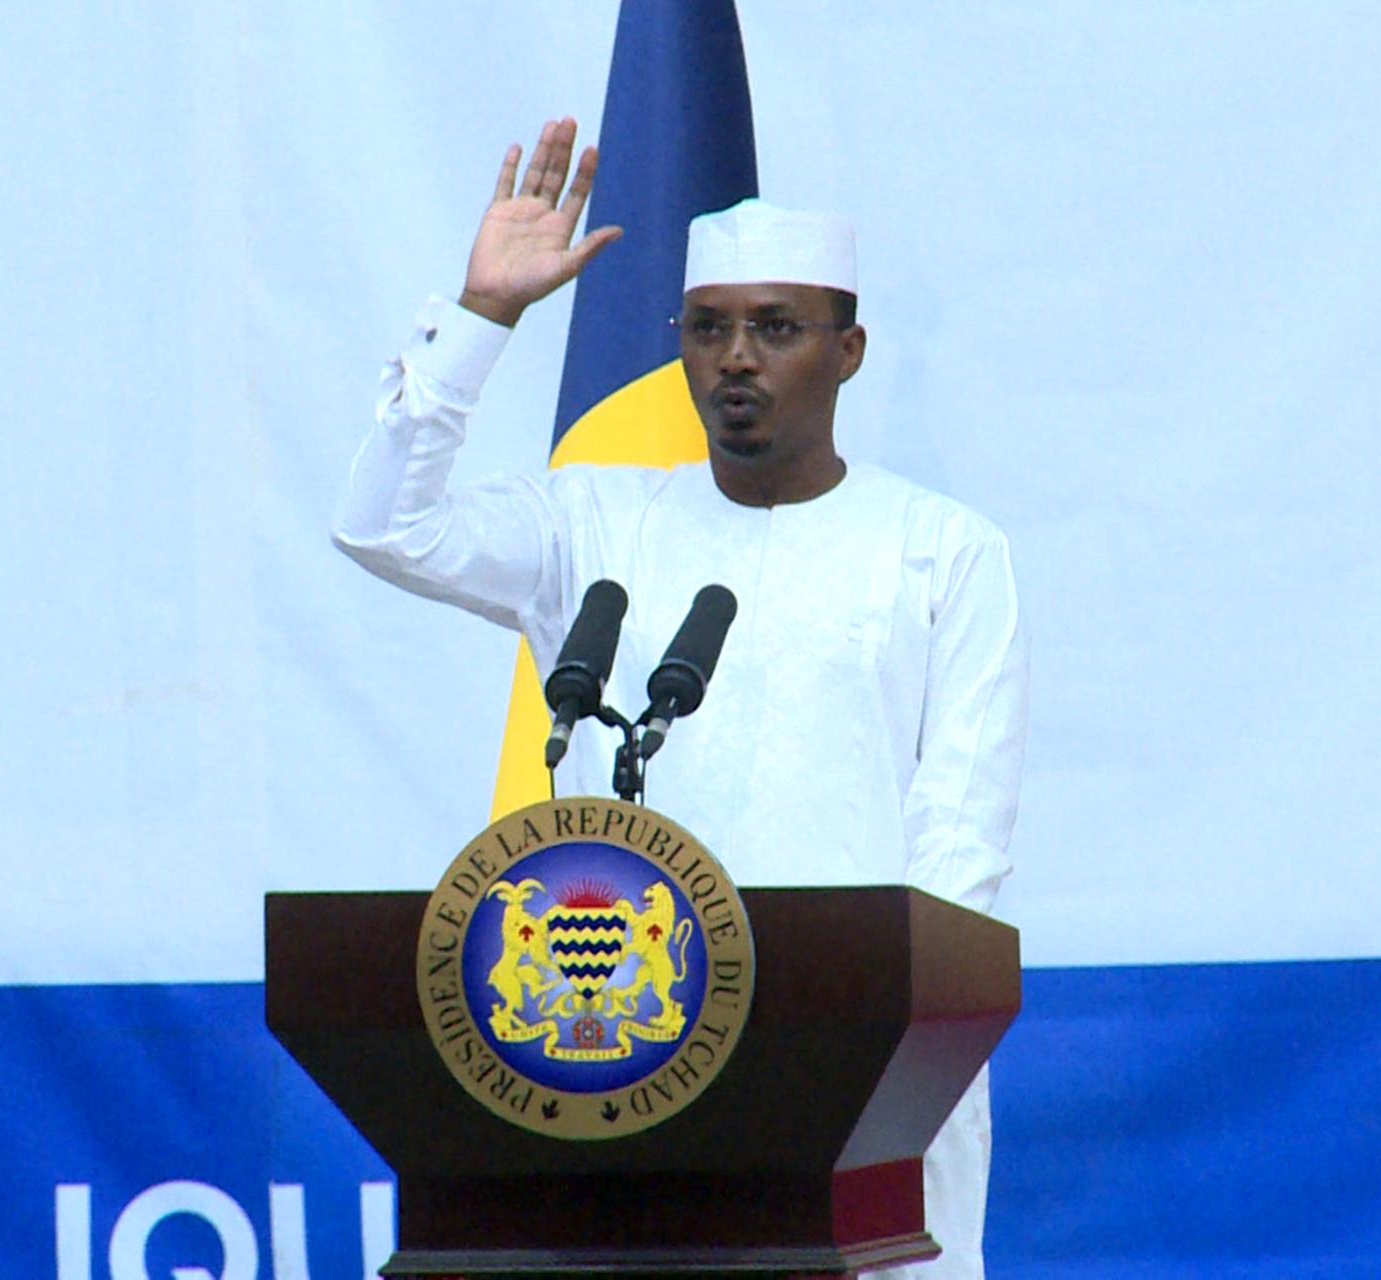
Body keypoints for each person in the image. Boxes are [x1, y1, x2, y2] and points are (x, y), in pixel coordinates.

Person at [333, 117, 1028, 1280]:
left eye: (776, 328)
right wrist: (484, 315)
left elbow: (959, 855)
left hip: (869, 1091)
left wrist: (857, 1049)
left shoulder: (943, 550)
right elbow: (383, 527)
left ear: (848, 349)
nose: (737, 358)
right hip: (627, 1070)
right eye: (709, 328)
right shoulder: (597, 521)